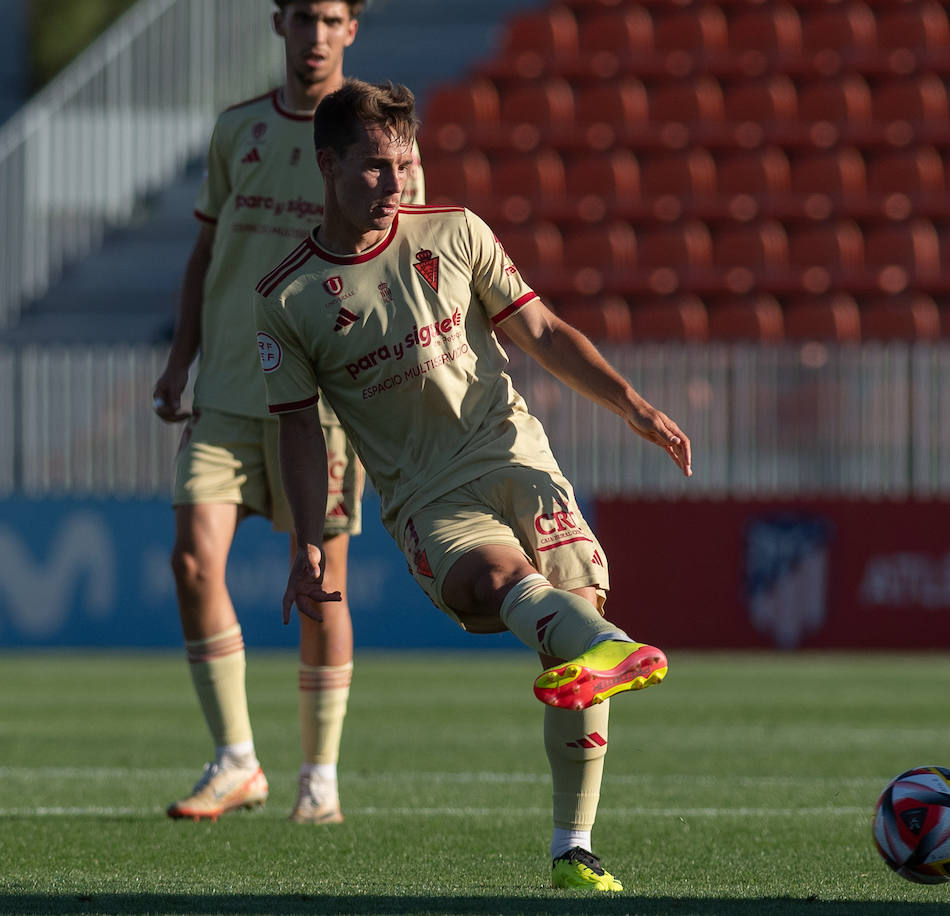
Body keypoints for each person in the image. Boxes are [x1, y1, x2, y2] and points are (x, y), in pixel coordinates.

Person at [253, 78, 688, 891]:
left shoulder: (454, 232)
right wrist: (307, 542)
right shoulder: (288, 297)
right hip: (426, 496)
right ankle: (605, 648)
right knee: (495, 583)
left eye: (405, 164)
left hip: (515, 458)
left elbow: (544, 331)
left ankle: (572, 849)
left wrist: (630, 403)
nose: (393, 184)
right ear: (327, 165)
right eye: (375, 167)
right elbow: (298, 430)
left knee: (573, 644)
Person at [152, 0, 424, 825]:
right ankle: (237, 759)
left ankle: (319, 778)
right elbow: (205, 251)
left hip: (325, 397)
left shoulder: (380, 138)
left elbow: (408, 257)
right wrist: (179, 359)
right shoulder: (238, 129)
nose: (315, 33)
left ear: (353, 29)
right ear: (279, 24)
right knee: (194, 564)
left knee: (322, 585)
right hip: (232, 389)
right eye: (302, 16)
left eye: (331, 17)